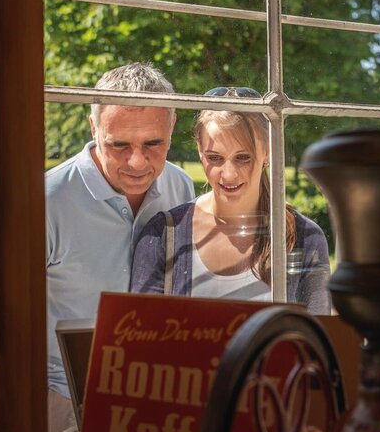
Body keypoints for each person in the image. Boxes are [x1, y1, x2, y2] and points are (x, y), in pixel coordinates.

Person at [45, 63, 195, 432]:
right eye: (119, 145)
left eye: (153, 143)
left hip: (152, 396)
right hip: (62, 403)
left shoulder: (180, 186)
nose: (137, 161)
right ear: (93, 127)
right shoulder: (48, 201)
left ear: (172, 126)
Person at [130, 87, 331, 312]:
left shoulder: (306, 238)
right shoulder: (162, 235)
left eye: (243, 158)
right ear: (199, 149)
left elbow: (317, 330)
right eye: (214, 158)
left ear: (267, 150)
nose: (228, 175)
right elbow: (140, 328)